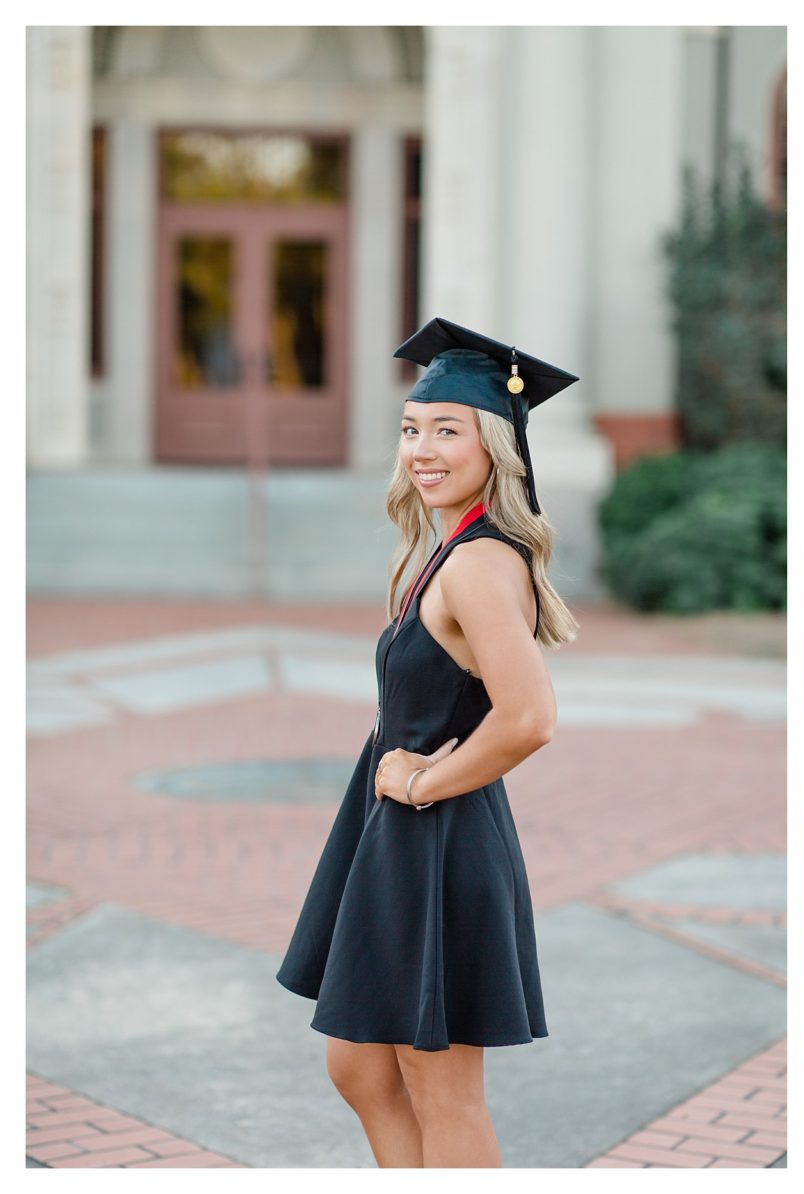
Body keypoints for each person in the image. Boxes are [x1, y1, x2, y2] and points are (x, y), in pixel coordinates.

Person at [276, 317, 580, 1167]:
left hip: (438, 838)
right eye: (412, 430)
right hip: (398, 838)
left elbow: (530, 718)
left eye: (448, 431)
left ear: (494, 447)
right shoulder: (448, 551)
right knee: (361, 1065)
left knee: (439, 1086)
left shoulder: (479, 564)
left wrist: (418, 784)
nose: (422, 450)